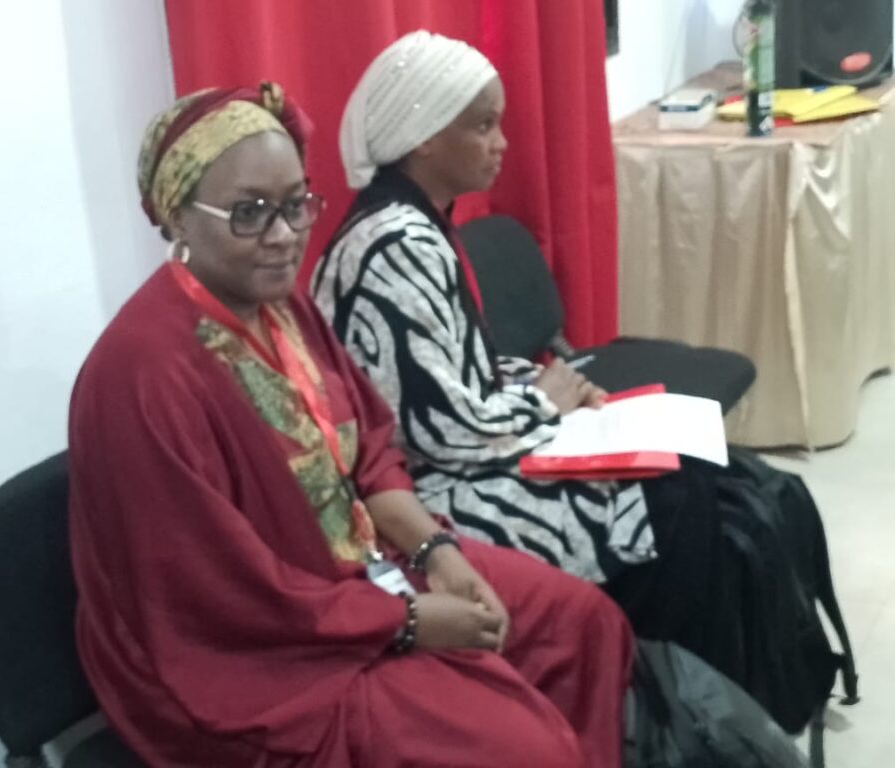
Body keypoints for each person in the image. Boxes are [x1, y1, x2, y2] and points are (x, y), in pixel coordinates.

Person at [68, 83, 633, 767]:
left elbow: (369, 454)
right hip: (256, 653)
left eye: (295, 205)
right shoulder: (142, 378)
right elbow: (216, 599)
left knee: (583, 628)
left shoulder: (282, 307)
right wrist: (410, 621)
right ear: (178, 218)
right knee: (526, 750)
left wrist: (438, 555)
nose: (285, 236)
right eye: (249, 213)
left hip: (358, 572)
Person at [312, 30, 841, 725]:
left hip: (462, 457)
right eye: (482, 125)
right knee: (672, 498)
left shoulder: (413, 223)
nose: (501, 143)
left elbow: (457, 367)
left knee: (696, 476)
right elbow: (440, 430)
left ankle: (708, 695)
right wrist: (545, 401)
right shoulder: (393, 246)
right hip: (427, 498)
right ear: (424, 138)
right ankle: (665, 705)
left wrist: (549, 387)